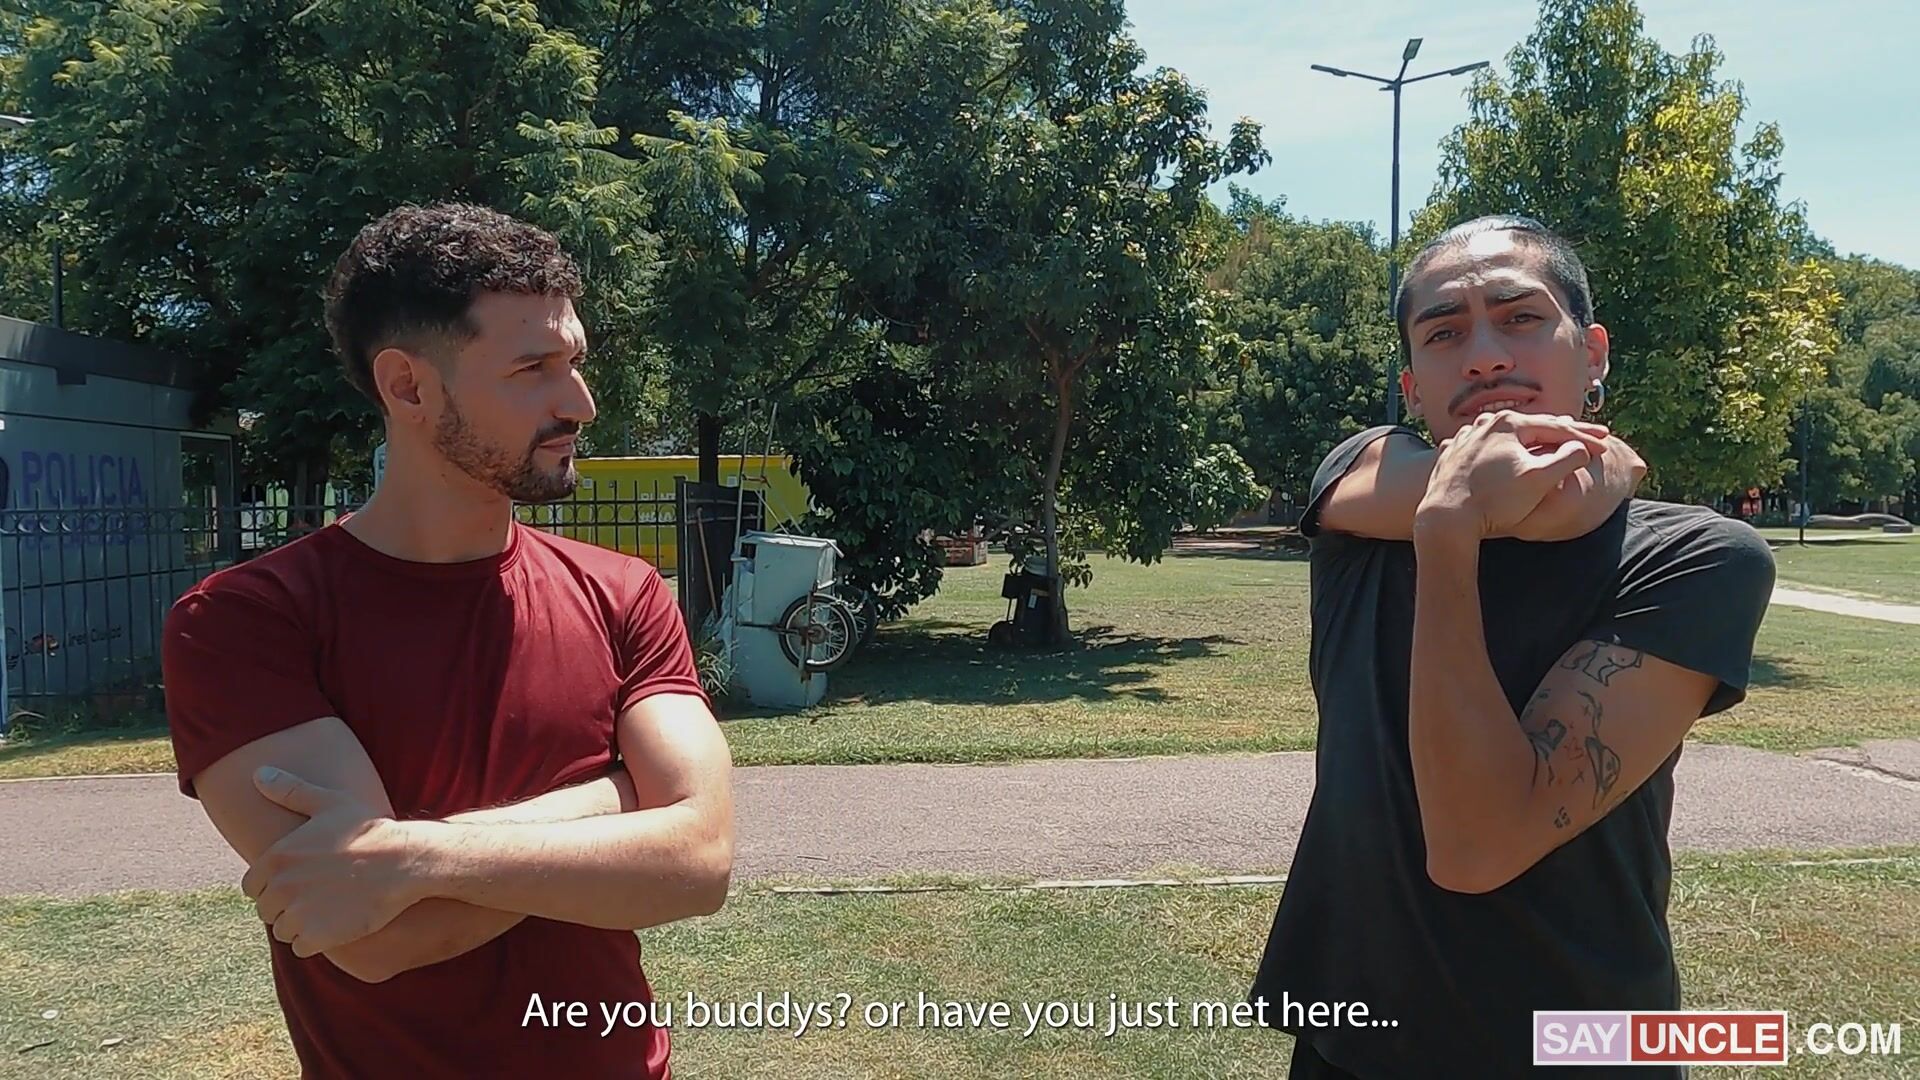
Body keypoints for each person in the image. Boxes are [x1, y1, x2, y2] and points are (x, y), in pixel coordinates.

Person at [162, 203, 733, 1079]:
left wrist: (416, 853)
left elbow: (698, 864)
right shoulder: (246, 622)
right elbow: (382, 937)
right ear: (409, 388)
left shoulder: (624, 594)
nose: (579, 403)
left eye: (575, 361)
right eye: (533, 368)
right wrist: (619, 799)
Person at [1247, 214, 1775, 1078]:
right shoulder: (1357, 486)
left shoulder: (1700, 559)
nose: (1485, 356)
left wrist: (1451, 533)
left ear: (1593, 354)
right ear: (1412, 387)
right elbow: (1556, 501)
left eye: (1520, 318)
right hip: (1356, 1040)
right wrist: (1578, 469)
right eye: (1444, 333)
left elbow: (1477, 848)